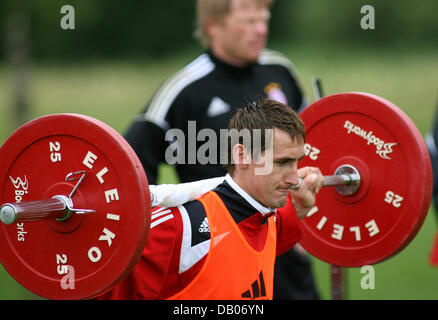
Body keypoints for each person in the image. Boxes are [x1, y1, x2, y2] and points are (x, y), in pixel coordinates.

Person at [124, 0, 319, 299]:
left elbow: (315, 142)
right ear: (213, 26)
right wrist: (170, 228)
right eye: (249, 21)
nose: (261, 30)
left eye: (264, 20)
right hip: (211, 250)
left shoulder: (279, 70)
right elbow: (130, 168)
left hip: (280, 242)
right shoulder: (185, 89)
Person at [98, 98, 323, 299]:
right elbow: (96, 289)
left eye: (297, 162)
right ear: (242, 155)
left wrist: (300, 205)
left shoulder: (267, 220)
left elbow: (261, 229)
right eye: (282, 162)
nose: (294, 178)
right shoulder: (179, 228)